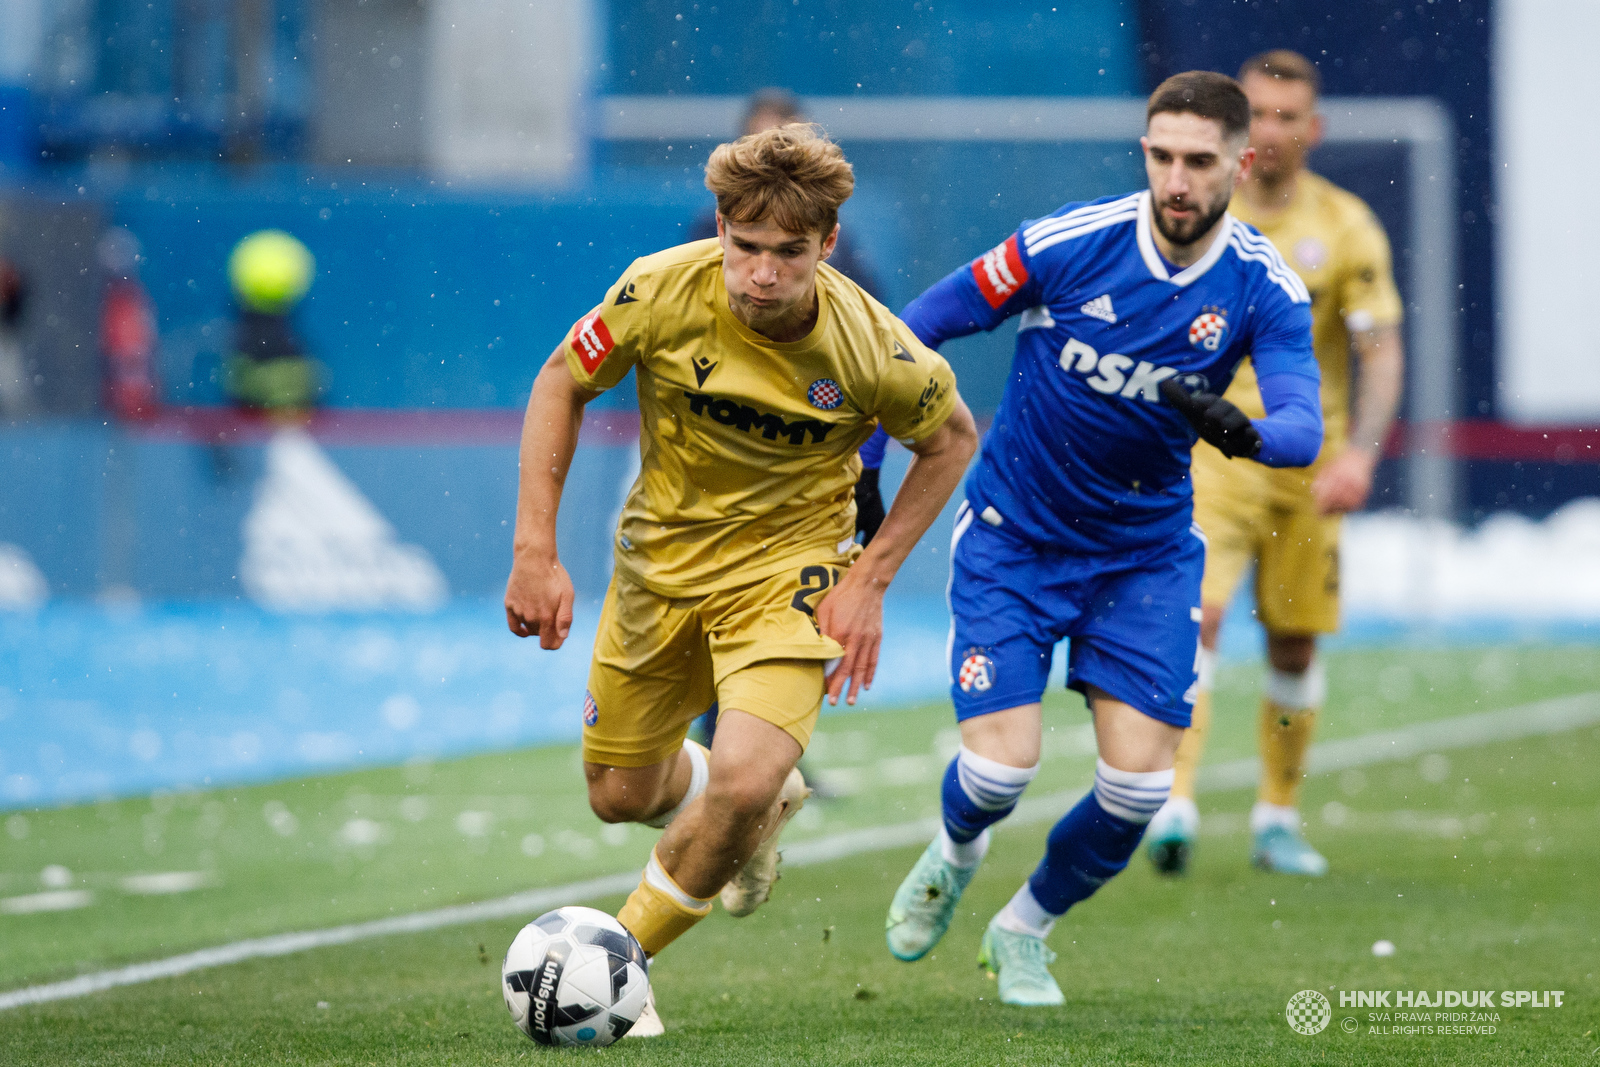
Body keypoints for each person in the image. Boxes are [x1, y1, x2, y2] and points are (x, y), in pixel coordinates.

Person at [504, 123, 976, 1034]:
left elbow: (952, 439)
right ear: (720, 225)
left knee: (747, 778)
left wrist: (870, 578)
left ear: (828, 243)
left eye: (788, 254)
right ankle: (746, 814)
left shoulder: (875, 347)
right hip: (658, 567)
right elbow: (561, 381)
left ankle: (619, 963)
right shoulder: (657, 288)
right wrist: (536, 550)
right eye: (746, 247)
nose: (762, 274)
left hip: (789, 572)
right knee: (621, 797)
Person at [880, 71, 1322, 1006]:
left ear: (1239, 165)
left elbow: (1301, 428)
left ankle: (1024, 927)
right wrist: (872, 448)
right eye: (1160, 155)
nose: (1175, 180)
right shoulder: (1068, 244)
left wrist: (1242, 432)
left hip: (1144, 557)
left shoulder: (1263, 289)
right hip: (1016, 537)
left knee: (1135, 792)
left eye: (1198, 161)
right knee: (999, 771)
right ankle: (958, 853)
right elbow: (924, 323)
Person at [1144, 51, 1405, 879]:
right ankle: (1175, 800)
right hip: (1215, 459)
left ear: (1313, 129)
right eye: (1259, 114)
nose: (1273, 130)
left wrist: (1360, 454)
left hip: (1306, 458)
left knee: (1293, 645)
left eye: (1290, 116)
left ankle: (1277, 816)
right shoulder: (1193, 219)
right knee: (1199, 618)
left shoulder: (1345, 226)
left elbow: (1380, 349)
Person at [686, 90, 891, 755]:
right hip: (711, 464)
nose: (765, 270)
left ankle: (752, 755)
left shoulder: (847, 263)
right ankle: (716, 755)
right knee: (622, 783)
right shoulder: (691, 251)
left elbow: (890, 366)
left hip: (803, 472)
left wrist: (871, 466)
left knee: (779, 618)